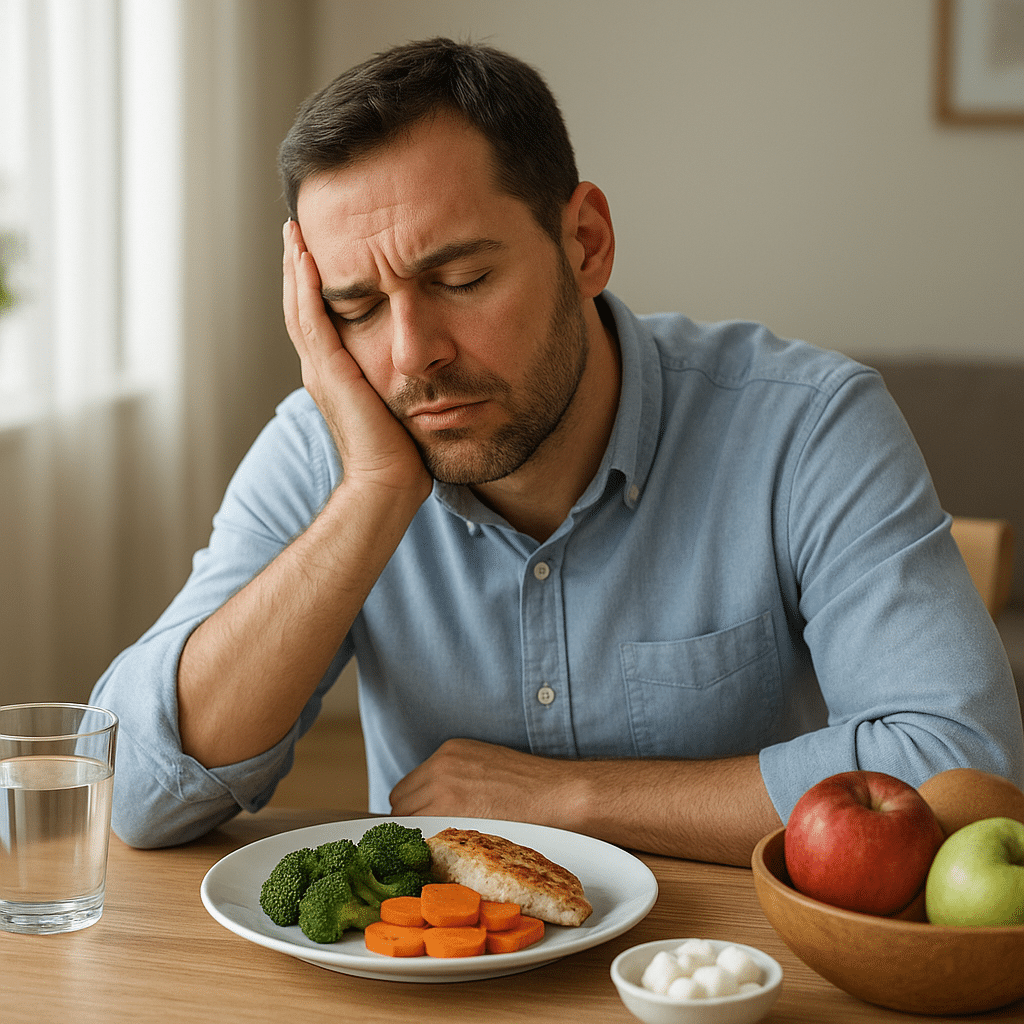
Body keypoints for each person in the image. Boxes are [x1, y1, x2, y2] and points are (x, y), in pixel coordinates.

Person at [90, 38, 1023, 864]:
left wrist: (574, 801)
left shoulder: (809, 426)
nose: (411, 356)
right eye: (356, 309)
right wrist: (373, 492)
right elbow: (128, 790)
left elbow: (964, 771)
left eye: (460, 278)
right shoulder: (325, 450)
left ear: (585, 242)